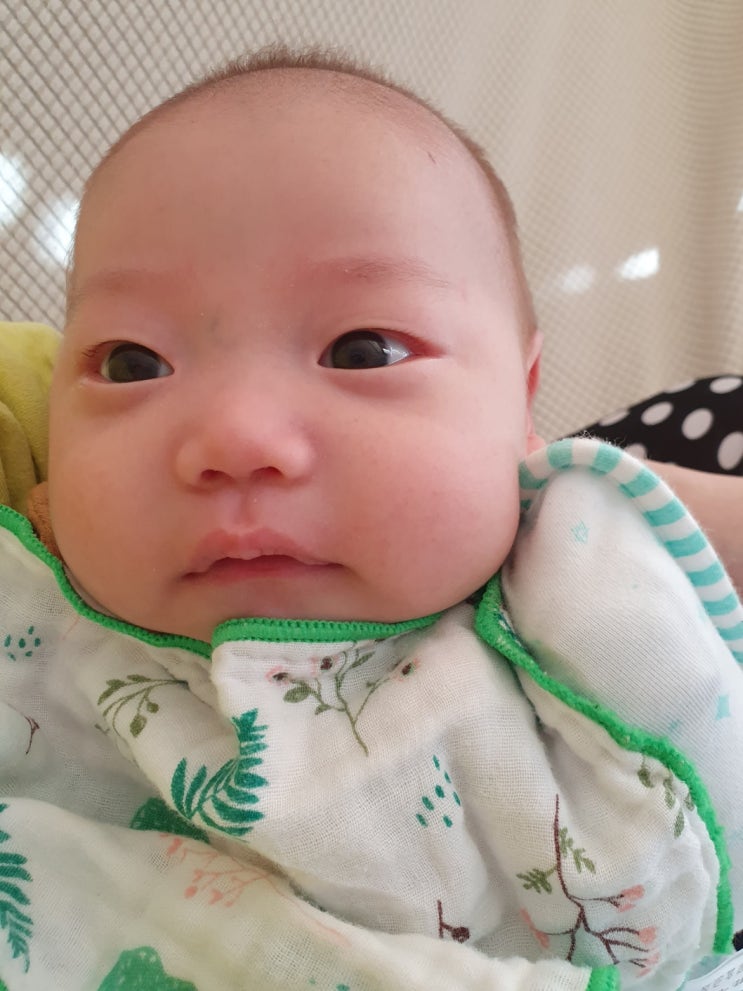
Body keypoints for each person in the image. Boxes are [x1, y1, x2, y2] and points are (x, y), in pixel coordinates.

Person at [2, 46, 743, 991]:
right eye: (131, 364)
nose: (234, 437)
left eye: (363, 350)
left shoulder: (580, 551)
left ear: (521, 401)